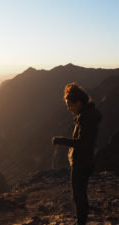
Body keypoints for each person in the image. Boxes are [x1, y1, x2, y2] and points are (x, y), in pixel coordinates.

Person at [52, 83, 102, 225]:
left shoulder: (86, 117)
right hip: (85, 161)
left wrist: (61, 140)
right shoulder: (87, 115)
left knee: (78, 196)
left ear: (79, 102)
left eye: (70, 105)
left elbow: (82, 142)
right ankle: (81, 221)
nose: (69, 108)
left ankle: (81, 222)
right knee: (80, 195)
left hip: (81, 163)